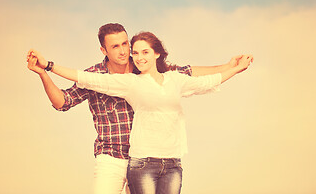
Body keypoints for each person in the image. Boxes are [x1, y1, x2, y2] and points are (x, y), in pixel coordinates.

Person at [27, 23, 251, 194]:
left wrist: (228, 66)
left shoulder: (143, 67)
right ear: (103, 49)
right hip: (111, 157)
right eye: (116, 46)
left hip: (145, 158)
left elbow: (186, 74)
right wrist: (43, 71)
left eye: (126, 44)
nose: (124, 51)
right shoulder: (95, 76)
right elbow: (62, 102)